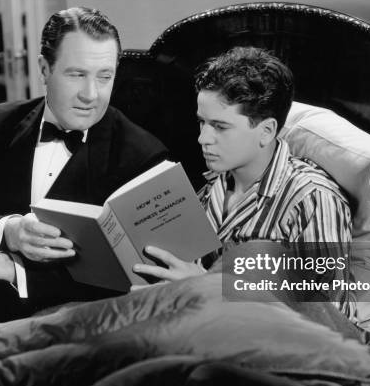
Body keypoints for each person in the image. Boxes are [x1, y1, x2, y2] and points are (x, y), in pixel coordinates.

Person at [0, 7, 168, 343]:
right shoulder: (0, 124)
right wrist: (11, 231)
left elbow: (134, 279)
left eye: (105, 76)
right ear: (44, 69)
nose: (91, 94)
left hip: (67, 332)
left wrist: (10, 269)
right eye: (76, 74)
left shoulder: (144, 155)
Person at [134, 46, 355, 317]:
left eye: (220, 126)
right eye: (202, 123)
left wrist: (208, 287)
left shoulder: (312, 199)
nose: (203, 138)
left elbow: (335, 318)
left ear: (266, 131)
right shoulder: (209, 188)